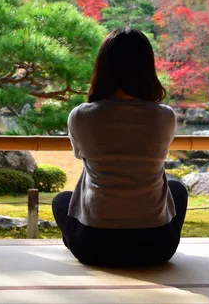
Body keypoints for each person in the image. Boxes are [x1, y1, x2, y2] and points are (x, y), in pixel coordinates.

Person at [52, 28, 188, 267]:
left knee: (61, 201)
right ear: (148, 68)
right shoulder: (164, 116)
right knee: (177, 190)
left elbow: (79, 154)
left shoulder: (81, 116)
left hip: (95, 246)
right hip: (157, 247)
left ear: (102, 67)